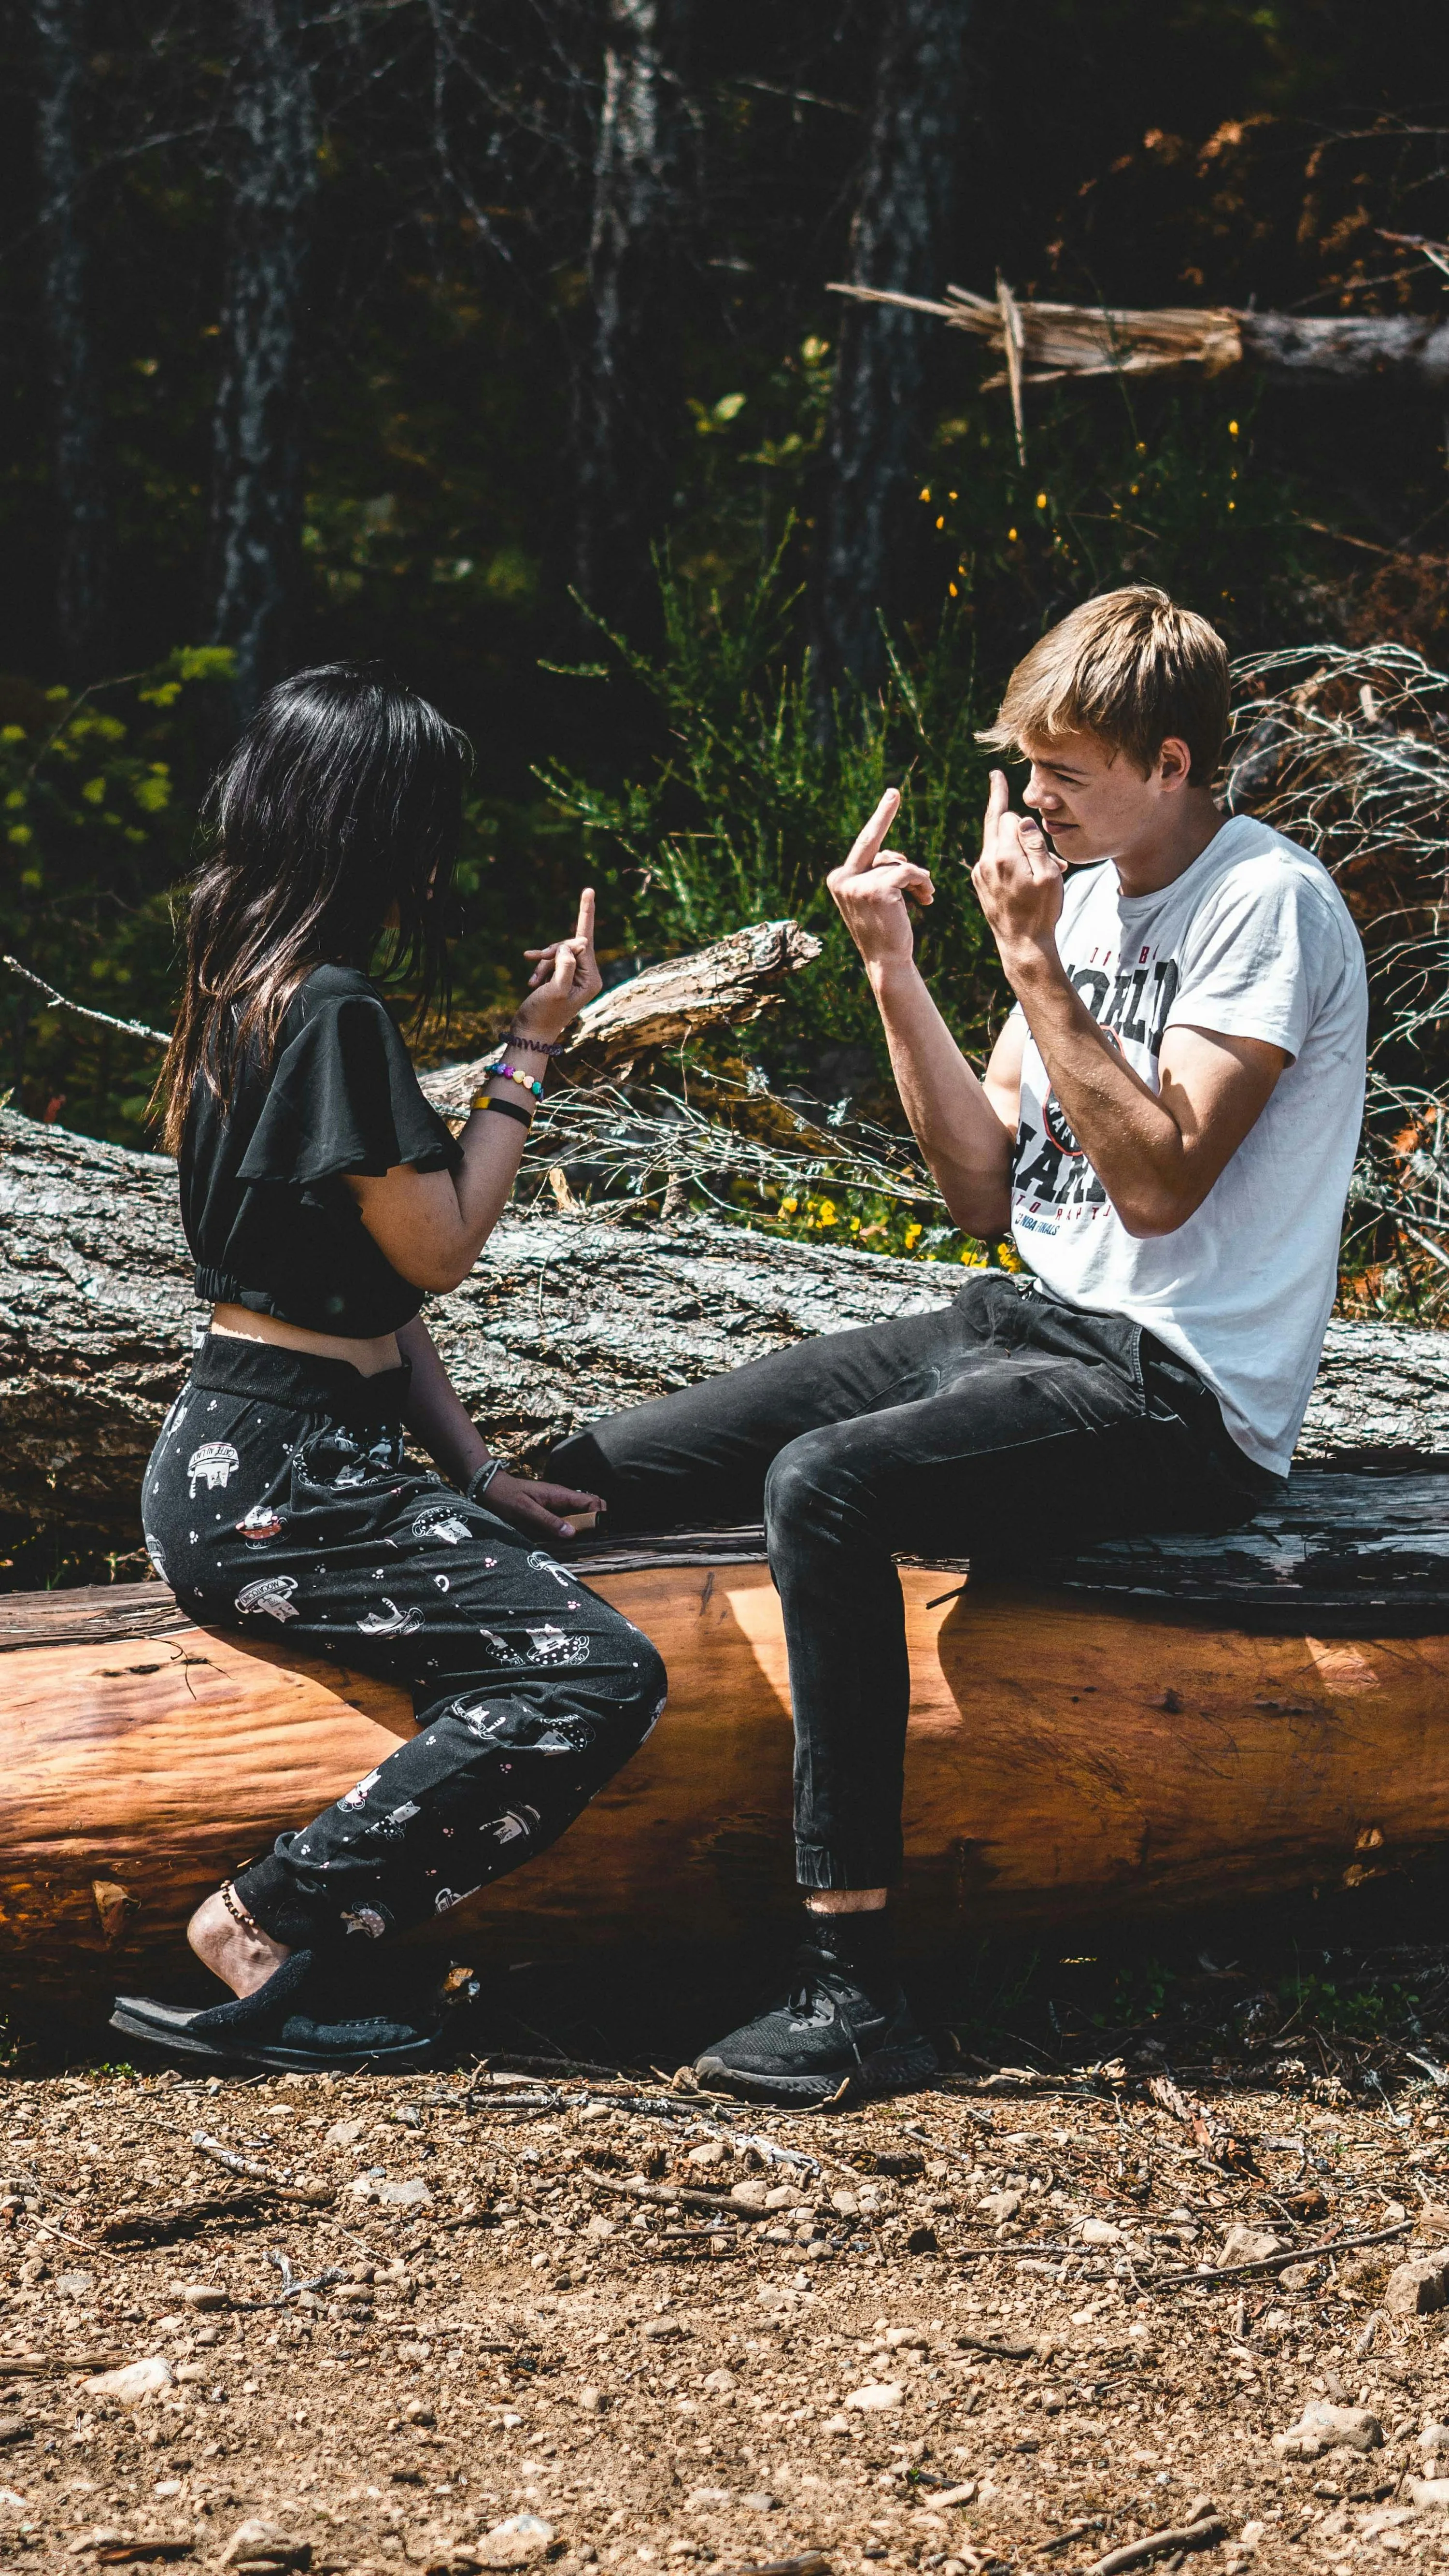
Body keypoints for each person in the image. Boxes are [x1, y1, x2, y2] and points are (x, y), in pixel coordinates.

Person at [551, 584, 1369, 2106]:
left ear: (1173, 763)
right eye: (1027, 765)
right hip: (1028, 1323)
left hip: (1179, 1392)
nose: (1034, 798)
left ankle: (857, 1984)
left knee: (826, 1486)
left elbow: (1161, 1176)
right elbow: (985, 1185)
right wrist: (894, 969)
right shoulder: (1093, 892)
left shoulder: (1269, 903)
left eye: (1063, 769)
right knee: (611, 1463)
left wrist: (1034, 960)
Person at [114, 663, 666, 2072]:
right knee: (596, 1671)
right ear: (371, 831)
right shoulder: (336, 1010)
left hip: (263, 1453)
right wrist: (532, 1052)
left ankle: (324, 1939)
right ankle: (261, 1924)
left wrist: (477, 1471)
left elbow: (369, 1294)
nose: (442, 853)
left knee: (552, 1654)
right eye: (426, 820)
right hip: (283, 1474)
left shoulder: (243, 984)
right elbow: (436, 1250)